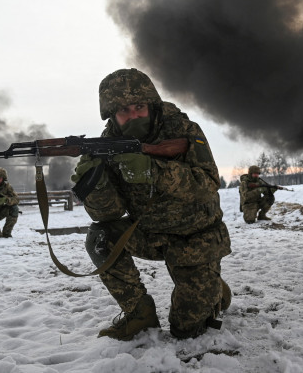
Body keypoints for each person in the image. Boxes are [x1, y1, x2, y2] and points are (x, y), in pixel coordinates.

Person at [71, 68, 232, 341]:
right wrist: (95, 185)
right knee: (101, 237)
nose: (134, 115)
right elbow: (109, 213)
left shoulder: (182, 129)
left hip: (195, 239)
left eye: (139, 107)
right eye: (124, 111)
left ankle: (213, 287)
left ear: (151, 104)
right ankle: (139, 314)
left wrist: (154, 171)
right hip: (149, 234)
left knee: (186, 331)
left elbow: (207, 184)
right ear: (112, 115)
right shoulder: (107, 144)